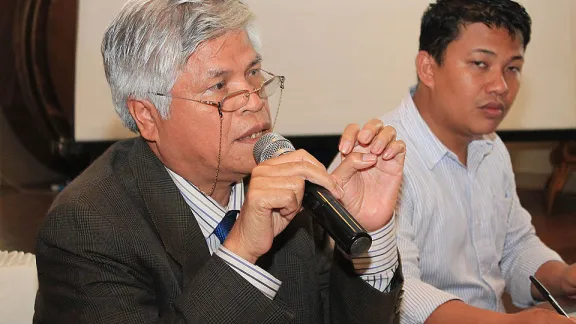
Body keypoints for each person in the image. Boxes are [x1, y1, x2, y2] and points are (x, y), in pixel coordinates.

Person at [33, 0, 406, 323]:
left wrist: (370, 229)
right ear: (147, 115)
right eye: (219, 86)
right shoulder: (87, 226)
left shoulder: (289, 189)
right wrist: (242, 250)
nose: (253, 100)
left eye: (254, 74)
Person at [328, 0, 576, 323]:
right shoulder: (373, 161)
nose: (501, 86)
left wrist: (563, 277)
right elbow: (399, 295)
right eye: (480, 64)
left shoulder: (491, 148)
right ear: (428, 69)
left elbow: (515, 246)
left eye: (512, 68)